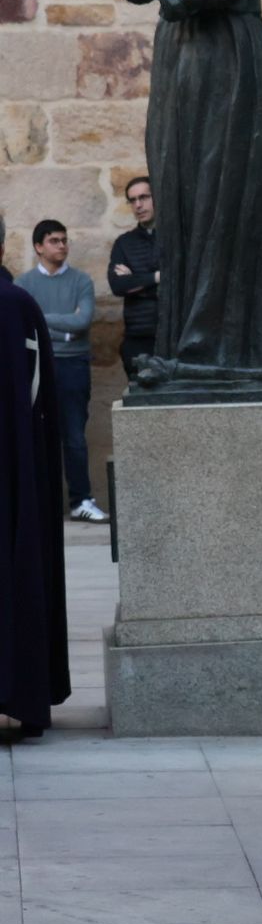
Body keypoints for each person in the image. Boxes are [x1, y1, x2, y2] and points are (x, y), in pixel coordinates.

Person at [107, 0, 262, 384]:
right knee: (179, 196)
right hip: (181, 46)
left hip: (221, 50)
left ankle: (224, 349)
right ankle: (184, 344)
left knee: (219, 192)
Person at [0, 244, 71, 737]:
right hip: (13, 470)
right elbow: (42, 400)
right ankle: (22, 696)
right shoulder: (20, 305)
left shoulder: (19, 304)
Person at [16, 221, 107, 524]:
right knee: (37, 434)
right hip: (37, 364)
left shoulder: (81, 281)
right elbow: (20, 326)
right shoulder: (24, 284)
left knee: (74, 436)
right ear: (39, 247)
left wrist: (41, 320)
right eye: (54, 241)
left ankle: (81, 500)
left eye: (65, 240)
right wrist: (61, 327)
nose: (62, 245)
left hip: (73, 365)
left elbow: (82, 323)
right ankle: (41, 503)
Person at [109, 176, 160, 379]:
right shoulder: (124, 243)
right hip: (138, 337)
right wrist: (156, 277)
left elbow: (178, 281)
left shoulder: (177, 238)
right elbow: (118, 285)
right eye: (132, 200)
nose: (138, 205)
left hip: (174, 336)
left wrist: (137, 279)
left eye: (144, 197)